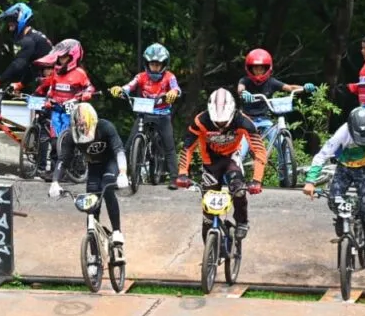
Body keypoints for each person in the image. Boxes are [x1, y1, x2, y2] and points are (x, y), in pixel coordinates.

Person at [302, 108, 365, 271]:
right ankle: (342, 220)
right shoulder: (342, 132)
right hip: (345, 167)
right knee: (333, 199)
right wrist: (310, 181)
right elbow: (322, 155)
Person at [175, 89, 266, 241]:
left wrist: (256, 180)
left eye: (224, 123)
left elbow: (259, 150)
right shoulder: (201, 120)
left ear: (231, 114)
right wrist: (183, 173)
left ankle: (242, 222)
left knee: (239, 189)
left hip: (232, 159)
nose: (220, 127)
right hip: (210, 163)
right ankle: (209, 256)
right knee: (208, 216)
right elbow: (188, 148)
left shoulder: (243, 121)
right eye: (216, 123)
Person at [48, 103, 130, 258]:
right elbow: (63, 160)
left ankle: (117, 231)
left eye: (85, 125)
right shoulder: (71, 135)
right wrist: (55, 181)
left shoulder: (106, 127)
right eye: (79, 126)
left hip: (110, 164)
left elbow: (119, 150)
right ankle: (93, 255)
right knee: (90, 205)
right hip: (93, 167)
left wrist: (123, 173)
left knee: (107, 187)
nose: (82, 129)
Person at [109, 42, 182, 189]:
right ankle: (120, 176)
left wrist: (174, 93)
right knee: (128, 145)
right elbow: (129, 86)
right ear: (147, 64)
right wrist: (120, 90)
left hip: (163, 115)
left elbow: (176, 88)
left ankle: (174, 178)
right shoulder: (141, 76)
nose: (154, 67)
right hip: (144, 114)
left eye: (158, 64)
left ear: (164, 64)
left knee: (169, 146)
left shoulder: (169, 77)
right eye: (152, 64)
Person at [34, 39, 95, 179]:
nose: (61, 60)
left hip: (72, 111)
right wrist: (48, 99)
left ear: (73, 56)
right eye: (60, 57)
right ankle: (54, 171)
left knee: (69, 141)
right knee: (54, 142)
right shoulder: (56, 73)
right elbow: (51, 89)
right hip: (57, 110)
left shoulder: (80, 73)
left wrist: (86, 94)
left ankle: (73, 168)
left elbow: (89, 87)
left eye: (64, 57)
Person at [0, 2, 53, 92]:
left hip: (54, 83)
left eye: (12, 25)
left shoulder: (29, 41)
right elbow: (34, 67)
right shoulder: (34, 37)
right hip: (49, 80)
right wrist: (22, 83)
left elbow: (18, 65)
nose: (10, 29)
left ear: (21, 20)